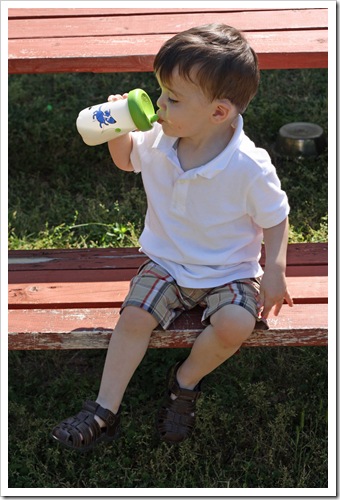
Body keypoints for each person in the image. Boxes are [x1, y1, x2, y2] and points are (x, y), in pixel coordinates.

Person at [52, 23, 293, 451]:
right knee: (133, 318)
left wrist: (273, 269)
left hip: (228, 269)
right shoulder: (162, 137)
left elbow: (276, 218)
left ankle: (185, 381)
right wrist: (118, 130)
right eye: (161, 93)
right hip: (167, 261)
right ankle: (104, 409)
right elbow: (127, 160)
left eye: (173, 99)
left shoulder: (249, 166)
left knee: (237, 323)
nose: (159, 105)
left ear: (219, 112)